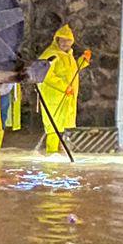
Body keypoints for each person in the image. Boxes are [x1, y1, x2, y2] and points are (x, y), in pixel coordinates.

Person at [36, 23, 92, 154]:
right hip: (54, 98)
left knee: (63, 127)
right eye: (63, 40)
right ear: (57, 40)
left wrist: (83, 61)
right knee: (53, 127)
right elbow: (47, 75)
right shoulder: (50, 55)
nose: (65, 43)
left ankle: (60, 154)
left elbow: (71, 72)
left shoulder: (68, 55)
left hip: (67, 97)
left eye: (68, 41)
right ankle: (51, 155)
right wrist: (64, 87)